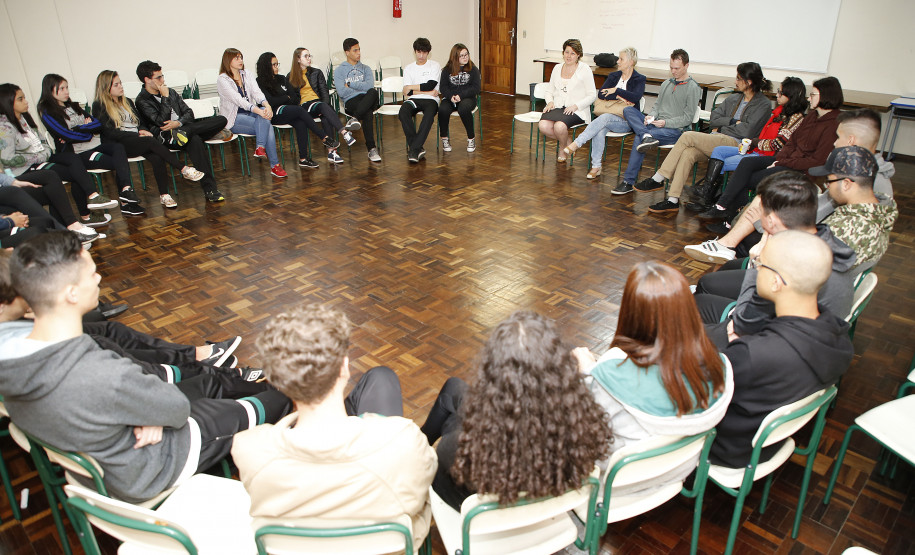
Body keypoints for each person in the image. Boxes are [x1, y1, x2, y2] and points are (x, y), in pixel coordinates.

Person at [0, 231, 292, 503]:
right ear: (71, 293)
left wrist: (147, 412)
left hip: (96, 473)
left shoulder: (12, 362)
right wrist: (152, 413)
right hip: (153, 465)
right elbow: (175, 407)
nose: (98, 276)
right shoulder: (97, 370)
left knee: (209, 391)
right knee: (284, 397)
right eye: (92, 272)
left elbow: (148, 405)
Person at [232, 304, 436, 547]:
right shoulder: (403, 440)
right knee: (382, 377)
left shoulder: (249, 449)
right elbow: (424, 490)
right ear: (344, 368)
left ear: (279, 382)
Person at [420, 311, 610, 511]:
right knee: (455, 388)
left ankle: (418, 442)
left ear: (494, 373)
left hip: (481, 519)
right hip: (546, 513)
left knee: (452, 421)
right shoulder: (581, 426)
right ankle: (419, 439)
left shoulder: (459, 448)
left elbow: (442, 486)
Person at [572, 261, 733, 492]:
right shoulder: (721, 365)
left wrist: (588, 371)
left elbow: (586, 429)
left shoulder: (610, 375)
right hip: (680, 469)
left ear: (631, 312)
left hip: (621, 482)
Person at [711, 230, 854, 468]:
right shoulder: (839, 338)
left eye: (760, 264)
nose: (756, 265)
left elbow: (700, 398)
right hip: (773, 440)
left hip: (728, 448)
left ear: (776, 282)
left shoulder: (752, 354)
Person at [685, 109, 896, 264]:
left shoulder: (873, 181)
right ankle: (728, 245)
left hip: (802, 246)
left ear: (851, 140)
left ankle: (730, 247)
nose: (834, 143)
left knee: (764, 208)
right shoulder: (857, 169)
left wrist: (781, 220)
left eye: (838, 138)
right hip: (804, 232)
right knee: (768, 195)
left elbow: (834, 234)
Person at [692, 172, 858, 348]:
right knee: (699, 300)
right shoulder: (822, 241)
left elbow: (743, 323)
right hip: (808, 337)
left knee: (679, 331)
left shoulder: (790, 262)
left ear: (771, 220)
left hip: (776, 344)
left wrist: (759, 261)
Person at [695, 76, 844, 221]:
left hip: (801, 170)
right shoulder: (812, 116)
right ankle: (722, 207)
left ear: (825, 95)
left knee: (747, 178)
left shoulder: (832, 124)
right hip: (786, 160)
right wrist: (779, 160)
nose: (809, 98)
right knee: (746, 164)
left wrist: (782, 162)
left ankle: (727, 215)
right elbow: (791, 143)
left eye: (813, 95)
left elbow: (817, 161)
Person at [634, 62, 771, 213]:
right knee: (688, 153)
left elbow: (747, 130)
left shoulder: (763, 104)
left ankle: (659, 177)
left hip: (735, 144)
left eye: (738, 78)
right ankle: (672, 199)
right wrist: (732, 122)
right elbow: (714, 119)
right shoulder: (734, 98)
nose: (735, 81)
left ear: (749, 82)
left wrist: (723, 127)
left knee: (687, 136)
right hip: (716, 139)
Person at [686, 76, 808, 212]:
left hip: (767, 155)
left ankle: (717, 201)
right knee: (719, 151)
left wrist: (755, 143)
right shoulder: (780, 112)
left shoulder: (795, 118)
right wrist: (753, 143)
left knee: (726, 162)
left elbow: (777, 144)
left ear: (790, 95)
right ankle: (707, 196)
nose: (777, 95)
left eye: (781, 92)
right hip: (756, 148)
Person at [93, 70, 206, 210]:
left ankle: (164, 195)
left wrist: (142, 129)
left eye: (120, 83)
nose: (121, 86)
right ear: (106, 88)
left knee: (157, 157)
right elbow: (110, 133)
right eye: (116, 85)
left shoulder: (127, 101)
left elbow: (139, 121)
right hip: (120, 144)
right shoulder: (99, 105)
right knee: (151, 141)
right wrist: (138, 136)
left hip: (137, 139)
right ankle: (184, 168)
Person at [0, 85, 101, 240]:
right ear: (7, 103)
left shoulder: (24, 119)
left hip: (37, 163)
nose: (26, 101)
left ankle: (74, 224)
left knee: (68, 175)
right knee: (52, 176)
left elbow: (44, 143)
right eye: (20, 99)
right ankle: (73, 224)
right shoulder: (5, 128)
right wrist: (40, 156)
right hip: (20, 172)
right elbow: (8, 159)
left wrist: (43, 153)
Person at [37, 74, 145, 216]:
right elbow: (66, 135)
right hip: (77, 153)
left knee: (118, 148)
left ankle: (126, 191)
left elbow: (97, 124)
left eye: (67, 87)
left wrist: (79, 130)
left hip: (95, 144)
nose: (66, 91)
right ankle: (124, 204)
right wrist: (87, 132)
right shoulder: (47, 112)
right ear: (50, 91)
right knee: (118, 162)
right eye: (61, 88)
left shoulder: (73, 106)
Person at [134, 60, 230, 203]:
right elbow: (161, 121)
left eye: (162, 76)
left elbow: (188, 112)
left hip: (184, 130)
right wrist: (165, 97)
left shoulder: (171, 92)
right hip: (167, 138)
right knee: (196, 139)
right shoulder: (142, 100)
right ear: (147, 80)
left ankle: (185, 132)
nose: (163, 80)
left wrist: (178, 124)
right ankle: (211, 189)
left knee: (221, 119)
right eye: (158, 77)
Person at [610, 49, 701, 195]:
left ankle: (628, 182)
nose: (673, 71)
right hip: (655, 125)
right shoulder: (666, 83)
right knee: (628, 111)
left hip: (675, 130)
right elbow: (657, 106)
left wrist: (666, 122)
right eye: (671, 67)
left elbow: (687, 118)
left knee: (640, 137)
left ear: (686, 65)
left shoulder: (693, 88)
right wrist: (650, 116)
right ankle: (646, 135)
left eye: (677, 68)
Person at [809, 145, 898, 269]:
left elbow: (806, 268)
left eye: (829, 181)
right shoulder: (881, 210)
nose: (827, 187)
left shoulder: (846, 229)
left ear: (846, 184)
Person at [564, 47, 645, 179]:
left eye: (621, 59)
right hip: (610, 116)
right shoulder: (614, 76)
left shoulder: (639, 79)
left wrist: (616, 91)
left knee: (604, 118)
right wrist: (622, 97)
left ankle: (577, 143)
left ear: (631, 62)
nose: (618, 61)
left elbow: (635, 97)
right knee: (601, 127)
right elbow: (602, 93)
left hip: (626, 121)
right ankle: (596, 167)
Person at [216, 48, 287, 178]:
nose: (240, 60)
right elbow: (238, 100)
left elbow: (257, 92)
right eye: (236, 58)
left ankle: (260, 148)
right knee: (268, 125)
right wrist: (259, 110)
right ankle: (274, 165)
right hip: (233, 118)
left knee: (265, 119)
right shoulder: (223, 79)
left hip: (252, 112)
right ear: (228, 60)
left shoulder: (246, 74)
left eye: (241, 57)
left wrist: (267, 106)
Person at [284, 47, 356, 165]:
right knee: (322, 107)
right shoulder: (290, 77)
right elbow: (293, 99)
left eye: (309, 56)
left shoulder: (316, 73)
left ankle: (332, 153)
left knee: (326, 116)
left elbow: (324, 93)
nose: (309, 59)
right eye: (305, 56)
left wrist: (325, 108)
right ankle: (344, 133)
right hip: (304, 107)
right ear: (298, 59)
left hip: (318, 105)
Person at [540, 39, 596, 162]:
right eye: (566, 52)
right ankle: (567, 141)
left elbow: (592, 95)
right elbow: (549, 91)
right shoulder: (557, 68)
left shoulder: (584, 69)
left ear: (578, 55)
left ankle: (561, 147)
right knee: (543, 125)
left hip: (577, 110)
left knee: (559, 127)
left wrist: (576, 106)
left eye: (572, 53)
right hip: (559, 107)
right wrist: (550, 102)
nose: (568, 56)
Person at [333, 38, 382, 163]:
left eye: (359, 49)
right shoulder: (339, 71)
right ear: (347, 52)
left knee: (373, 92)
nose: (359, 53)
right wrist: (360, 86)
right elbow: (341, 92)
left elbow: (369, 86)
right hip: (351, 101)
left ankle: (354, 118)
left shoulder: (366, 68)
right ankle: (371, 149)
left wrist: (349, 84)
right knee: (367, 112)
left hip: (368, 97)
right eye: (355, 50)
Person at [400, 38, 442, 163]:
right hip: (413, 99)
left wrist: (411, 87)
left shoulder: (435, 65)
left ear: (428, 53)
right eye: (419, 52)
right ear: (415, 52)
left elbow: (431, 85)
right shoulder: (408, 68)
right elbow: (408, 93)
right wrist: (425, 90)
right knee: (403, 112)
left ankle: (413, 148)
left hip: (431, 100)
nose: (421, 56)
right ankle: (417, 148)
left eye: (424, 53)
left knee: (429, 116)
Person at [438, 43, 481, 153]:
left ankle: (471, 139)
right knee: (443, 109)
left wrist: (460, 96)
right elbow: (443, 87)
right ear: (455, 57)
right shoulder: (447, 70)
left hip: (467, 98)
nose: (465, 57)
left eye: (466, 54)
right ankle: (444, 139)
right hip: (450, 98)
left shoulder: (473, 69)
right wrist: (450, 96)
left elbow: (476, 88)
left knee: (463, 108)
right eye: (462, 55)